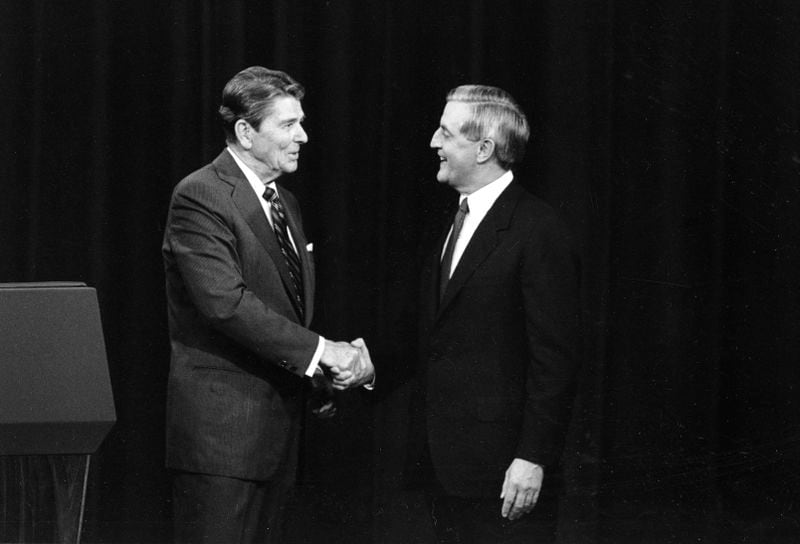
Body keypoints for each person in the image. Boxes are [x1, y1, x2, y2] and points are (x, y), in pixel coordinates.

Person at [162, 66, 373, 544]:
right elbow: (225, 303)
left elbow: (285, 309)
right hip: (223, 446)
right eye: (287, 124)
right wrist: (324, 352)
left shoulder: (286, 203)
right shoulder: (201, 195)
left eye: (301, 122)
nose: (302, 135)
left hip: (279, 439)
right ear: (245, 131)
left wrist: (319, 373)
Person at [411, 85, 581, 543]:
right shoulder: (450, 220)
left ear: (484, 148)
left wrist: (533, 458)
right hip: (447, 473)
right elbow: (438, 334)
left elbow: (556, 360)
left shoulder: (538, 229)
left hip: (508, 478)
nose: (433, 142)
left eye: (445, 133)